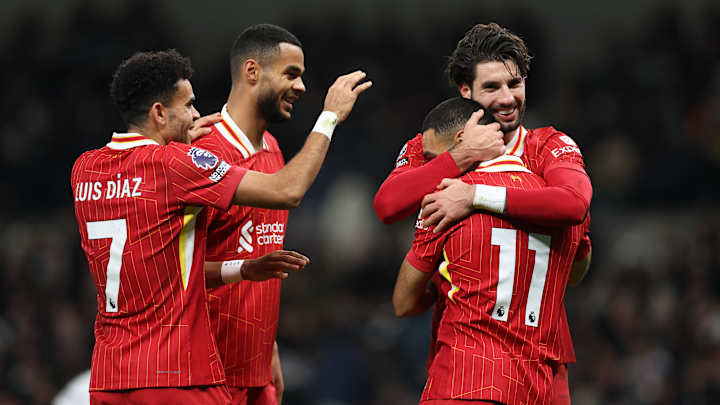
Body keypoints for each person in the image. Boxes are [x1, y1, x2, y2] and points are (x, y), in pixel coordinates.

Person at [71, 49, 370, 404]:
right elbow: (287, 190)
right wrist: (330, 117)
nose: (196, 114)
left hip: (110, 379)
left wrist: (243, 269)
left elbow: (164, 267)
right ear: (159, 112)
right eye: (188, 105)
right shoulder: (174, 164)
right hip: (177, 376)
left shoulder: (85, 169)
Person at [372, 23, 592, 402]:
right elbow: (387, 205)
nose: (508, 98)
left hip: (515, 362)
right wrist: (461, 157)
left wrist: (476, 196)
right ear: (466, 92)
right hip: (499, 360)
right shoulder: (439, 146)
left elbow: (574, 208)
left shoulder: (547, 146)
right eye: (492, 88)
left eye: (515, 84)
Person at [190, 24, 308, 405]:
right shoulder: (202, 152)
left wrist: (267, 345)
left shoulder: (273, 148)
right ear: (252, 71)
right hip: (205, 373)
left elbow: (258, 253)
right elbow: (172, 270)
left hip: (256, 372)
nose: (301, 87)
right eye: (291, 74)